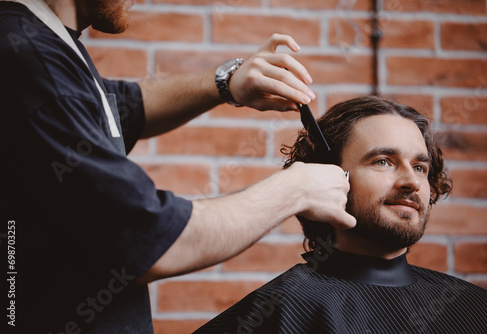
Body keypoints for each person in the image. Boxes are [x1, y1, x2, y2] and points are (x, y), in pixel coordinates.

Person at [0, 0, 357, 333]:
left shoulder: (48, 42)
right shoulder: (30, 59)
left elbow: (123, 108)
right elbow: (148, 238)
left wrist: (226, 83)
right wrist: (296, 189)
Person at [194, 96, 487, 334]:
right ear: (328, 177)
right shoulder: (278, 312)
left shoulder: (481, 310)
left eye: (420, 167)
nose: (411, 181)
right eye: (383, 161)